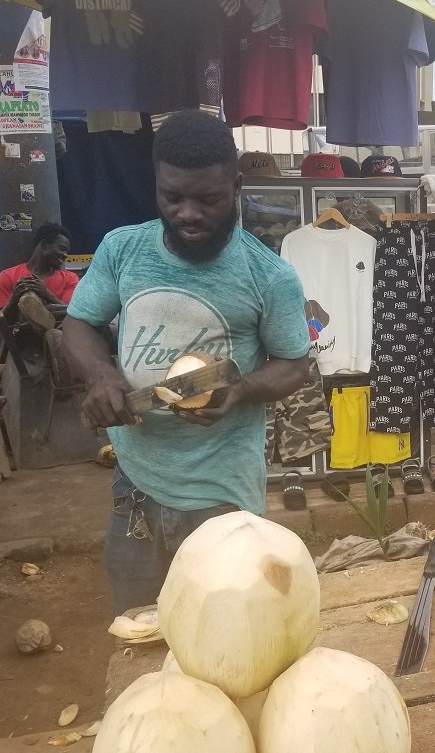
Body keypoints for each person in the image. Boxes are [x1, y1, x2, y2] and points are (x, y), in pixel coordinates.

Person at [63, 110, 311, 614]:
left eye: (209, 198)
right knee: (137, 625)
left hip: (221, 494)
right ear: (155, 183)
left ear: (236, 185)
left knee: (225, 630)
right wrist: (102, 374)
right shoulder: (122, 249)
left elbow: (295, 364)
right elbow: (79, 323)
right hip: (135, 480)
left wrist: (239, 390)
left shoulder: (271, 277)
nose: (189, 213)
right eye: (172, 197)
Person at [0, 223, 77, 332]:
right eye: (62, 248)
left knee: (56, 328)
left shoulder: (70, 278)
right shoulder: (7, 276)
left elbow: (71, 314)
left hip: (60, 335)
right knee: (27, 297)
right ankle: (40, 319)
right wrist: (14, 299)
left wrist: (46, 294)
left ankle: (44, 322)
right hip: (24, 339)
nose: (65, 255)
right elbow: (0, 322)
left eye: (67, 251)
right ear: (45, 245)